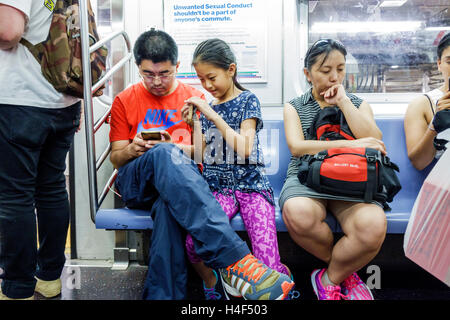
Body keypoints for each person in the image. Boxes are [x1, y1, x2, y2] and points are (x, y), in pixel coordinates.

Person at [109, 29, 294, 300]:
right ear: (138, 69)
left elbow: (202, 153)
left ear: (177, 67)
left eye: (165, 73)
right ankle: (237, 259)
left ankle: (164, 296)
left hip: (177, 190)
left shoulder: (195, 99)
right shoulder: (124, 100)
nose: (157, 81)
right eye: (149, 74)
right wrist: (133, 149)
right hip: (138, 182)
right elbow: (115, 157)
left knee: (168, 204)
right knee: (163, 154)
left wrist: (180, 137)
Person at [181, 38, 294, 300]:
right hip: (219, 189)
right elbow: (201, 154)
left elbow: (244, 148)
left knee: (267, 262)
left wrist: (211, 115)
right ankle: (213, 283)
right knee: (193, 245)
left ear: (230, 70)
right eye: (201, 80)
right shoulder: (208, 109)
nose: (207, 86)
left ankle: (281, 278)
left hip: (251, 187)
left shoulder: (248, 101)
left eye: (212, 77)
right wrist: (195, 123)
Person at [280, 39, 387, 300]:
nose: (334, 77)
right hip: (305, 178)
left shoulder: (358, 104)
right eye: (325, 70)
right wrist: (353, 144)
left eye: (340, 69)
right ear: (308, 74)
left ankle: (328, 278)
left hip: (349, 179)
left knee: (372, 225)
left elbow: (375, 142)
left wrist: (344, 103)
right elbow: (297, 147)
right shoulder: (294, 106)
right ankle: (347, 275)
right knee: (298, 213)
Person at [0, 1, 81, 300]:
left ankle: (17, 287)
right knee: (51, 188)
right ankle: (48, 278)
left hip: (20, 99)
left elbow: (9, 31)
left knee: (14, 196)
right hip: (63, 99)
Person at [405, 32, 450, 170]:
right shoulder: (422, 105)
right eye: (449, 62)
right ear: (439, 64)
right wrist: (434, 126)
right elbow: (419, 163)